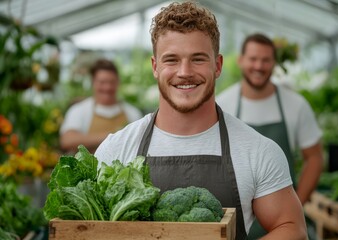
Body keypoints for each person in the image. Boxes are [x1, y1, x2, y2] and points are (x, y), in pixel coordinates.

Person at [95, 2, 307, 239]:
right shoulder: (116, 150)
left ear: (217, 66)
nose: (184, 71)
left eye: (197, 59)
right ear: (155, 67)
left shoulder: (257, 150)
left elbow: (292, 228)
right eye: (171, 60)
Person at [216, 33, 323, 238]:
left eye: (266, 60)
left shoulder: (295, 105)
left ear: (274, 63)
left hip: (284, 221)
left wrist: (296, 205)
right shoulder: (222, 105)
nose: (259, 66)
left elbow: (315, 157)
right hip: (236, 224)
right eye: (253, 59)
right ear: (241, 60)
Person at [60, 58, 143, 154]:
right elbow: (67, 140)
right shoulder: (79, 110)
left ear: (118, 82)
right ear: (93, 83)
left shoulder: (132, 112)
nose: (107, 87)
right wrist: (115, 136)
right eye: (102, 82)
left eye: (112, 82)